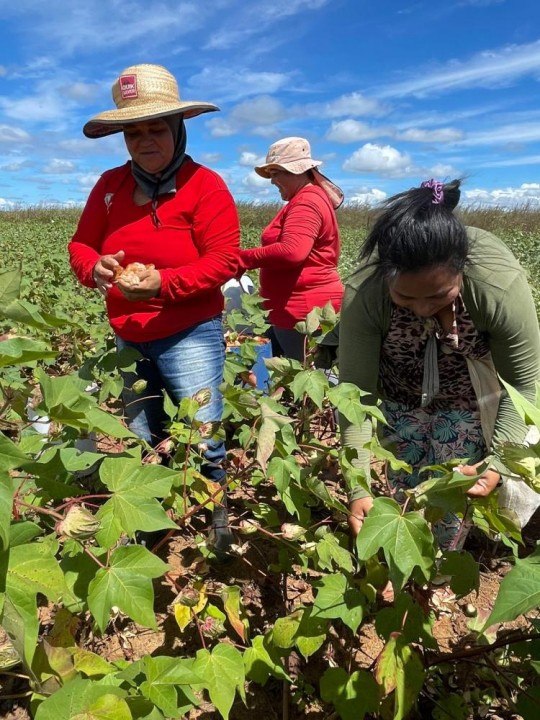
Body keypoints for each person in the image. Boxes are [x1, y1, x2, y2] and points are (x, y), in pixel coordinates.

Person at [68, 64, 240, 552]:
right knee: (146, 430)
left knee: (202, 433)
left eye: (155, 128)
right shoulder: (108, 186)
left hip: (190, 331)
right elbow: (80, 245)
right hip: (129, 332)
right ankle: (156, 518)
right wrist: (95, 268)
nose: (144, 139)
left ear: (177, 129)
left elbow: (225, 259)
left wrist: (164, 283)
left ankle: (216, 519)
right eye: (133, 130)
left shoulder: (206, 186)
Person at [338, 179, 540, 549]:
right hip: (399, 392)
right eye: (405, 297)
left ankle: (440, 572)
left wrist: (497, 461)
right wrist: (358, 485)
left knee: (451, 496)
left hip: (469, 401)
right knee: (400, 490)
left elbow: (524, 385)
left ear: (461, 272)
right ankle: (401, 564)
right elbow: (356, 395)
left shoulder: (497, 286)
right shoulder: (365, 293)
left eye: (438, 296)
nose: (422, 308)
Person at [237, 137, 344, 362]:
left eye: (276, 173)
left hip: (303, 312)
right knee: (295, 378)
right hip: (296, 311)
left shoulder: (307, 201)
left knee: (307, 383)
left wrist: (243, 259)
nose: (272, 181)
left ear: (297, 171)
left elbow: (292, 251)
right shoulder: (307, 198)